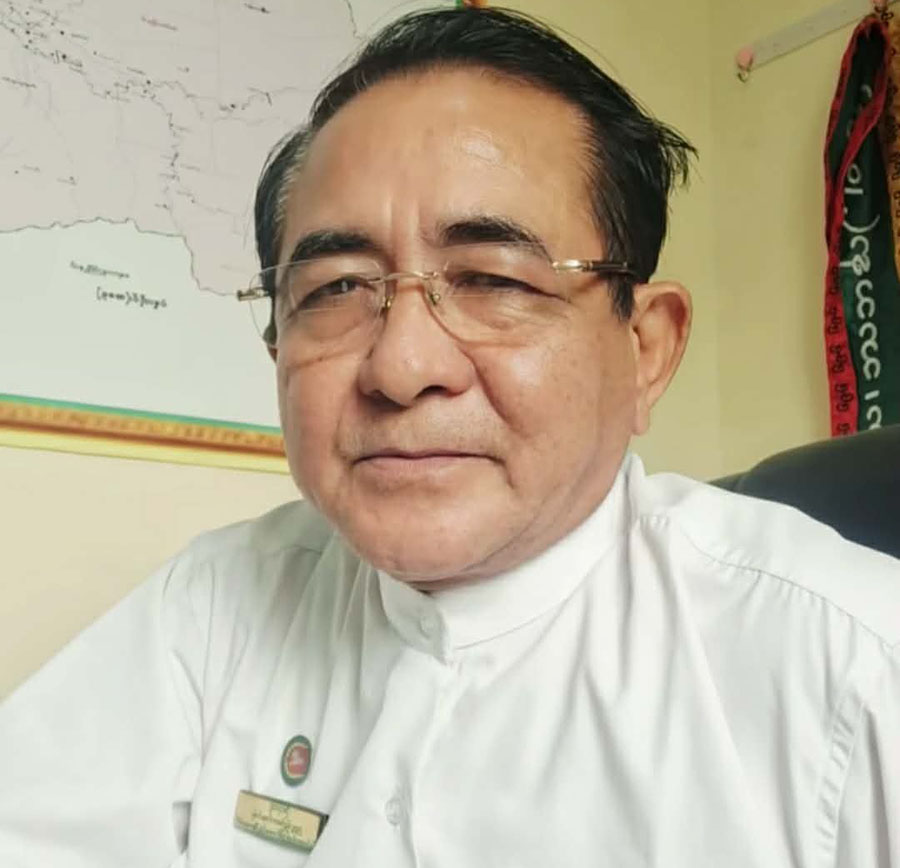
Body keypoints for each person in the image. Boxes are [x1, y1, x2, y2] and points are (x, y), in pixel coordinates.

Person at [1, 7, 898, 867]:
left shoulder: (857, 664)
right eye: (336, 289)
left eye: (493, 279)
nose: (401, 367)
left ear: (645, 350)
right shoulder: (212, 606)